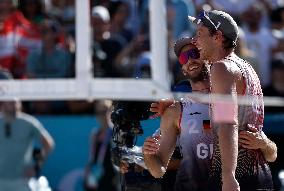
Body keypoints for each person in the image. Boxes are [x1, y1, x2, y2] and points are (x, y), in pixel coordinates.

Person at [143, 37, 277, 191]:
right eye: (184, 58)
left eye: (194, 53)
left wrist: (264, 144)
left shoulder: (234, 95)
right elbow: (158, 170)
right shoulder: (175, 111)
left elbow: (272, 154)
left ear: (206, 55)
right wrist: (148, 154)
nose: (190, 60)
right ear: (183, 69)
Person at [190, 10, 274, 190]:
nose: (194, 41)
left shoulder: (222, 68)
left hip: (234, 176)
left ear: (218, 37)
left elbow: (228, 123)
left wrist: (228, 175)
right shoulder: (246, 67)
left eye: (199, 34)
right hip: (258, 174)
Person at [0, 72, 55, 191]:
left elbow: (48, 144)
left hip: (22, 181)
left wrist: (36, 166)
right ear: (3, 103)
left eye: (15, 101)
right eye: (9, 101)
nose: (13, 104)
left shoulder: (29, 123)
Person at [83, 100, 118, 191]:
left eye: (105, 111)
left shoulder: (116, 133)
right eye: (98, 113)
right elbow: (92, 157)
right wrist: (87, 172)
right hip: (96, 178)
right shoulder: (94, 134)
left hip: (112, 179)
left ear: (111, 111)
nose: (102, 116)